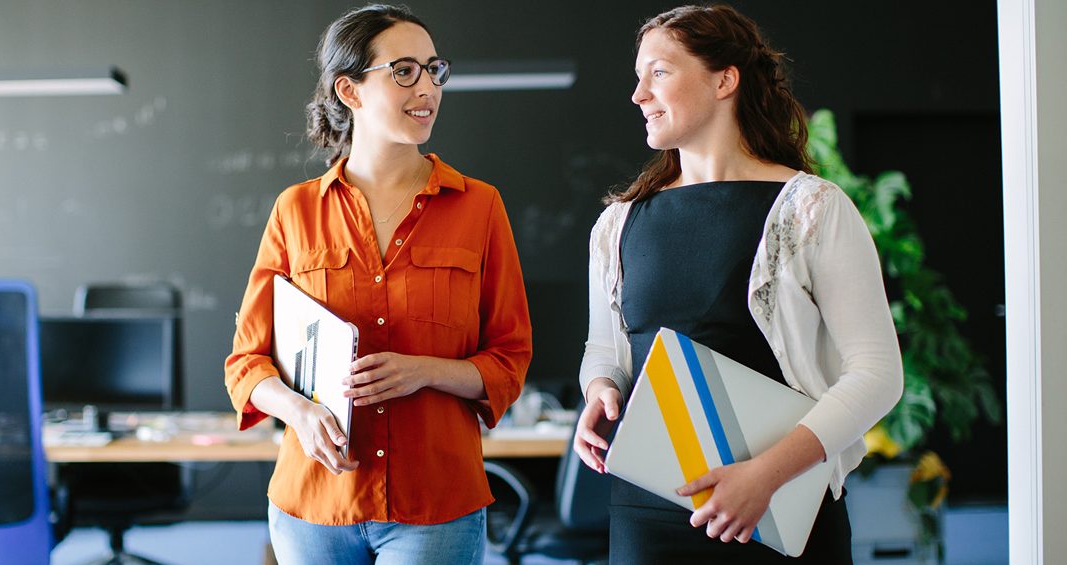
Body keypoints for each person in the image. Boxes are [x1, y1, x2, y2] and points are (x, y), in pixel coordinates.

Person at [573, 5, 902, 563]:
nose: (637, 94)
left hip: (780, 507)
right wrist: (600, 388)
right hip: (648, 514)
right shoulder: (618, 224)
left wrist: (764, 477)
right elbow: (604, 348)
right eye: (638, 76)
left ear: (725, 79)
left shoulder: (811, 210)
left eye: (658, 72)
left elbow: (877, 375)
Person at [224, 4, 532, 564]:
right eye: (404, 70)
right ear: (350, 90)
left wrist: (425, 371)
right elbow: (247, 363)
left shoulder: (480, 207)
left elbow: (510, 359)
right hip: (312, 505)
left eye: (434, 70)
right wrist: (298, 411)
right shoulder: (295, 210)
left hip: (435, 506)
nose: (428, 88)